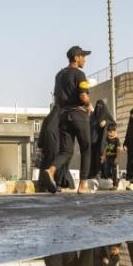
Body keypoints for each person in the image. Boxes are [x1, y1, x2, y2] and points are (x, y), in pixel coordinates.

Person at [40, 46, 94, 194]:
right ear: (76, 57)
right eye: (83, 56)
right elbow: (83, 96)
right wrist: (89, 105)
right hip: (78, 115)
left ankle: (51, 170)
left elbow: (57, 97)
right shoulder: (79, 74)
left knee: (65, 151)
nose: (85, 59)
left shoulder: (59, 75)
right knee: (86, 148)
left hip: (63, 116)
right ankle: (82, 185)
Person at [89, 100, 114, 180]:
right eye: (97, 106)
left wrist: (106, 122)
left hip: (104, 141)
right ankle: (95, 173)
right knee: (94, 158)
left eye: (101, 106)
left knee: (102, 157)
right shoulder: (93, 116)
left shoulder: (106, 115)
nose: (98, 107)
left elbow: (113, 124)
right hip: (94, 141)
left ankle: (103, 174)